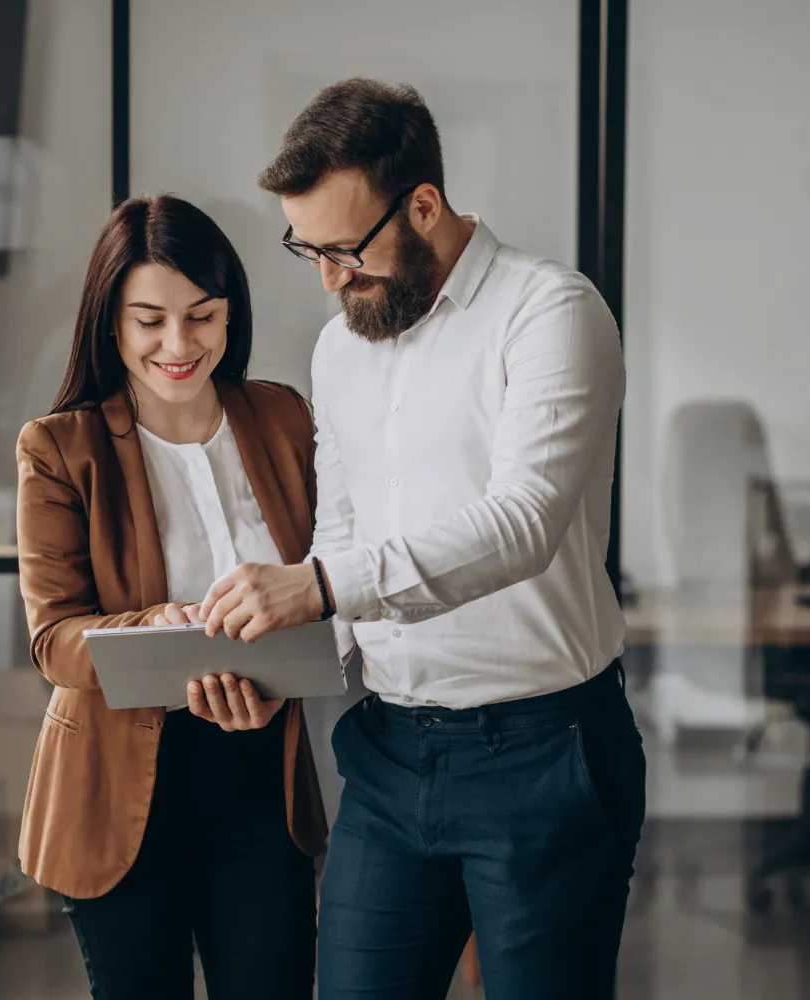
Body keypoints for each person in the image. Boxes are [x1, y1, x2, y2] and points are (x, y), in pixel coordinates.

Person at [188, 79, 645, 999]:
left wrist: (315, 587)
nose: (327, 278)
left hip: (544, 750)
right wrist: (282, 664)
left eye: (345, 250)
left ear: (424, 206)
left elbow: (522, 524)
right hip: (391, 756)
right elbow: (344, 527)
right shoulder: (342, 346)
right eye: (306, 250)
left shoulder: (551, 314)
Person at [14, 195, 326, 1000]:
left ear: (231, 314)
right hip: (116, 789)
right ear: (109, 322)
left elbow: (333, 578)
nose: (179, 345)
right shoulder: (60, 447)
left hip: (261, 774)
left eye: (203, 316)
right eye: (149, 320)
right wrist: (156, 625)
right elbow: (54, 641)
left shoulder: (283, 417)